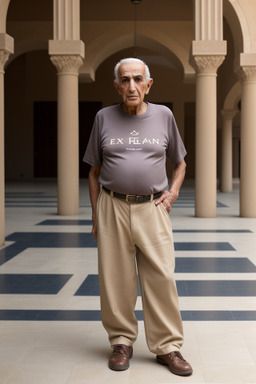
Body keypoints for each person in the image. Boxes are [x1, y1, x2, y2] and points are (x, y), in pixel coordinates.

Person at [83, 57, 193, 376]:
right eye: (125, 80)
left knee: (161, 276)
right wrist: (95, 216)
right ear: (117, 86)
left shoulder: (164, 115)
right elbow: (93, 172)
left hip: (152, 207)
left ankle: (168, 347)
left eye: (137, 79)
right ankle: (121, 342)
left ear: (148, 84)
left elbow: (181, 162)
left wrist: (171, 193)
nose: (132, 86)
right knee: (116, 279)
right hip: (112, 206)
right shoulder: (104, 117)